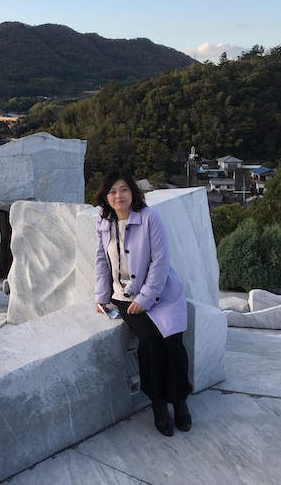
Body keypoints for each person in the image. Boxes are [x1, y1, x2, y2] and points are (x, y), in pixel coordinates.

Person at [94, 169, 192, 436]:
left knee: (172, 341)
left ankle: (180, 401)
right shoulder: (103, 222)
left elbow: (161, 262)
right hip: (124, 296)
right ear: (106, 196)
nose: (118, 195)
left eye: (123, 189)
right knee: (150, 342)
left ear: (132, 192)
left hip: (162, 293)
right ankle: (159, 405)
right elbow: (102, 261)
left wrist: (146, 298)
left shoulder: (150, 217)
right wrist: (100, 296)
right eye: (112, 191)